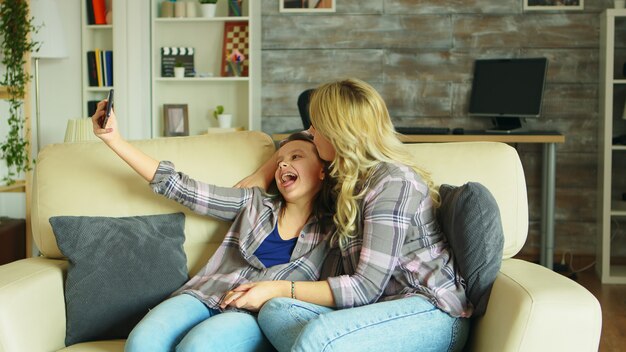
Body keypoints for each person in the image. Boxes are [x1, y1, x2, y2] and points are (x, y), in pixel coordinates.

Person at [231, 78, 472, 351]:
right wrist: (263, 174)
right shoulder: (343, 173)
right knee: (276, 312)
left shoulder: (393, 182)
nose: (310, 131)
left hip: (428, 311)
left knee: (318, 335)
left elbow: (365, 287)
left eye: (316, 125)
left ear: (338, 133)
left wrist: (277, 287)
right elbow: (297, 139)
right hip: (375, 311)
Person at [90, 101, 335, 352]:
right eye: (279, 161)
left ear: (323, 171)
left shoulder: (334, 231)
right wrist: (114, 140)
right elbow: (182, 188)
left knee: (197, 347)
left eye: (296, 157)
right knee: (141, 344)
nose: (282, 165)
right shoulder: (253, 201)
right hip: (204, 293)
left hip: (252, 316)